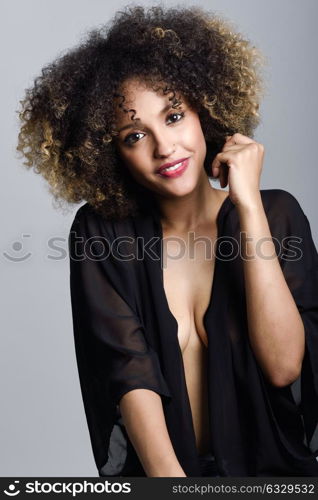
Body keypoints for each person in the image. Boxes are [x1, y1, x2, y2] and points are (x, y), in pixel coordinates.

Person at [16, 5, 318, 477]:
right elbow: (126, 372)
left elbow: (284, 367)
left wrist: (250, 207)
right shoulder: (102, 233)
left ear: (205, 110)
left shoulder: (276, 215)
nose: (164, 147)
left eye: (174, 115)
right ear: (109, 152)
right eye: (135, 134)